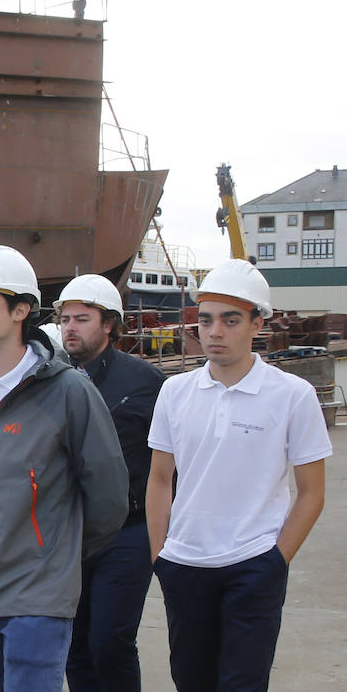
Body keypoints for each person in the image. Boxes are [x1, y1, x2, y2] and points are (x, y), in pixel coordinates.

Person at [0, 244, 128, 692]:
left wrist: (53, 558)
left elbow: (109, 498)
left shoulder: (68, 393)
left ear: (21, 309)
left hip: (37, 600)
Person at [147, 259, 331, 692]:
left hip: (253, 565)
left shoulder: (292, 396)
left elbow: (312, 493)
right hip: (185, 565)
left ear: (257, 323)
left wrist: (274, 561)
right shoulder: (175, 392)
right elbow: (158, 479)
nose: (214, 332)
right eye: (206, 320)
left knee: (243, 683)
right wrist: (161, 555)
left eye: (230, 321)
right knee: (191, 680)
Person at [55, 275, 165, 692]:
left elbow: (169, 462)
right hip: (70, 532)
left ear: (109, 324)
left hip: (127, 532)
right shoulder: (51, 382)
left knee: (110, 640)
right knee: (74, 644)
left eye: (82, 319)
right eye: (65, 319)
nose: (70, 327)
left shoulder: (144, 382)